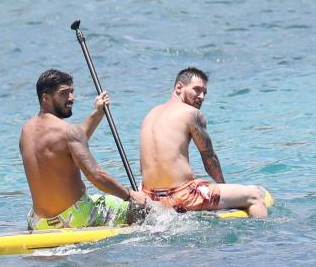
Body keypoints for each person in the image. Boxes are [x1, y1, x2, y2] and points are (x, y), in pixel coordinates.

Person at [20, 69, 148, 231]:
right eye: (64, 93)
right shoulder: (67, 131)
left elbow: (67, 148)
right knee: (142, 209)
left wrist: (98, 113)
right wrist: (130, 195)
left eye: (72, 92)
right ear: (45, 98)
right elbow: (96, 176)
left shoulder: (26, 130)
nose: (71, 98)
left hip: (38, 221)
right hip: (74, 217)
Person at [139, 67, 269, 217]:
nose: (201, 96)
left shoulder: (150, 114)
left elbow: (143, 167)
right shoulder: (191, 113)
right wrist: (224, 187)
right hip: (183, 197)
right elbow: (209, 158)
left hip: (149, 197)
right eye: (197, 90)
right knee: (255, 196)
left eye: (204, 92)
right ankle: (263, 239)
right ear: (179, 87)